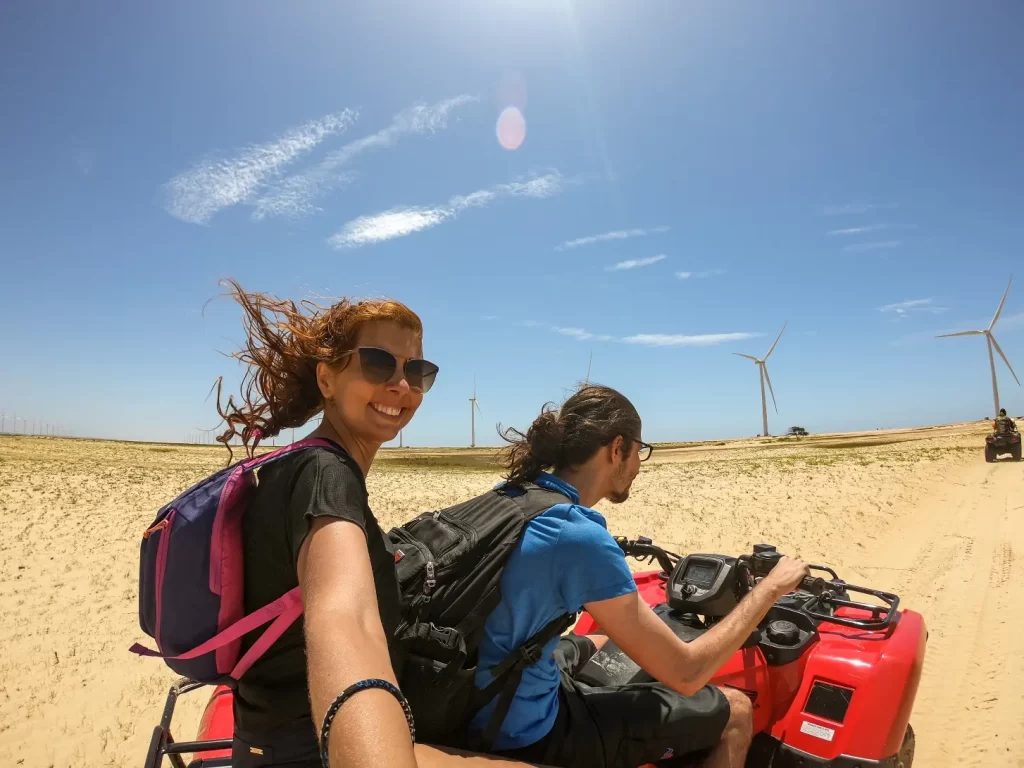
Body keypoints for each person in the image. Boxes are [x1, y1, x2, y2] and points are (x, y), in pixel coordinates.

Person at [214, 280, 544, 768]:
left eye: (418, 371)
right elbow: (343, 619)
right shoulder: (327, 477)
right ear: (327, 380)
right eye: (377, 363)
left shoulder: (298, 463)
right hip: (308, 750)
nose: (402, 385)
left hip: (267, 735)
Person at [467, 384, 810, 768]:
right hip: (526, 731)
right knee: (736, 711)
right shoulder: (579, 535)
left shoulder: (511, 497)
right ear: (617, 449)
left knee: (598, 639)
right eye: (640, 450)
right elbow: (687, 673)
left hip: (474, 698)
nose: (638, 465)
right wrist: (769, 589)